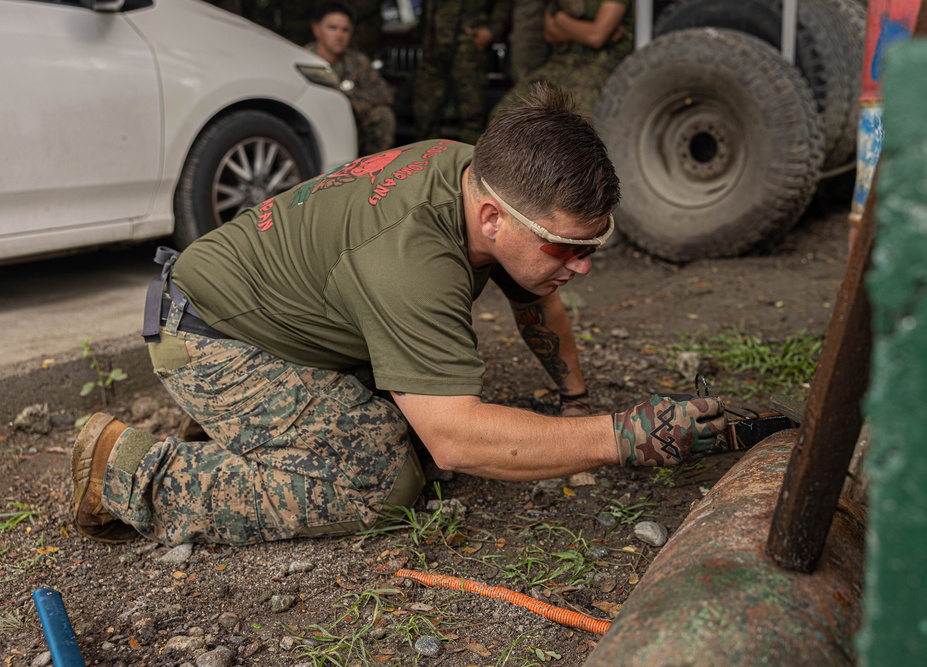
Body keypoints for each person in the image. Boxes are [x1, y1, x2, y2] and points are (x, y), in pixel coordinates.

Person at [70, 83, 726, 546]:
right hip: (213, 337)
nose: (580, 265)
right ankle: (125, 470)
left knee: (422, 427)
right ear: (496, 219)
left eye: (590, 247)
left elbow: (537, 295)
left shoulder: (483, 177)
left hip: (276, 312)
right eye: (565, 246)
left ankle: (258, 423)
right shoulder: (414, 260)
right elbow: (457, 438)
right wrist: (625, 436)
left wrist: (576, 400)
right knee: (380, 478)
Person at [494, 0, 632, 119]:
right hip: (561, 63)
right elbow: (551, 34)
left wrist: (560, 20)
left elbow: (596, 37)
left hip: (599, 65)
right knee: (503, 113)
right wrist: (586, 31)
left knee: (580, 121)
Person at [412, 0, 512, 143]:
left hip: (466, 48)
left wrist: (492, 30)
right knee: (424, 115)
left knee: (472, 116)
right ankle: (425, 160)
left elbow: (503, 5)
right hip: (432, 49)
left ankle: (474, 162)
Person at [308, 2, 397, 155]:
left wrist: (350, 104)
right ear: (317, 29)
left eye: (345, 30)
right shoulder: (304, 60)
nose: (339, 36)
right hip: (316, 126)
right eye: (332, 28)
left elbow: (384, 94)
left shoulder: (357, 61)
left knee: (382, 115)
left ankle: (373, 171)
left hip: (352, 127)